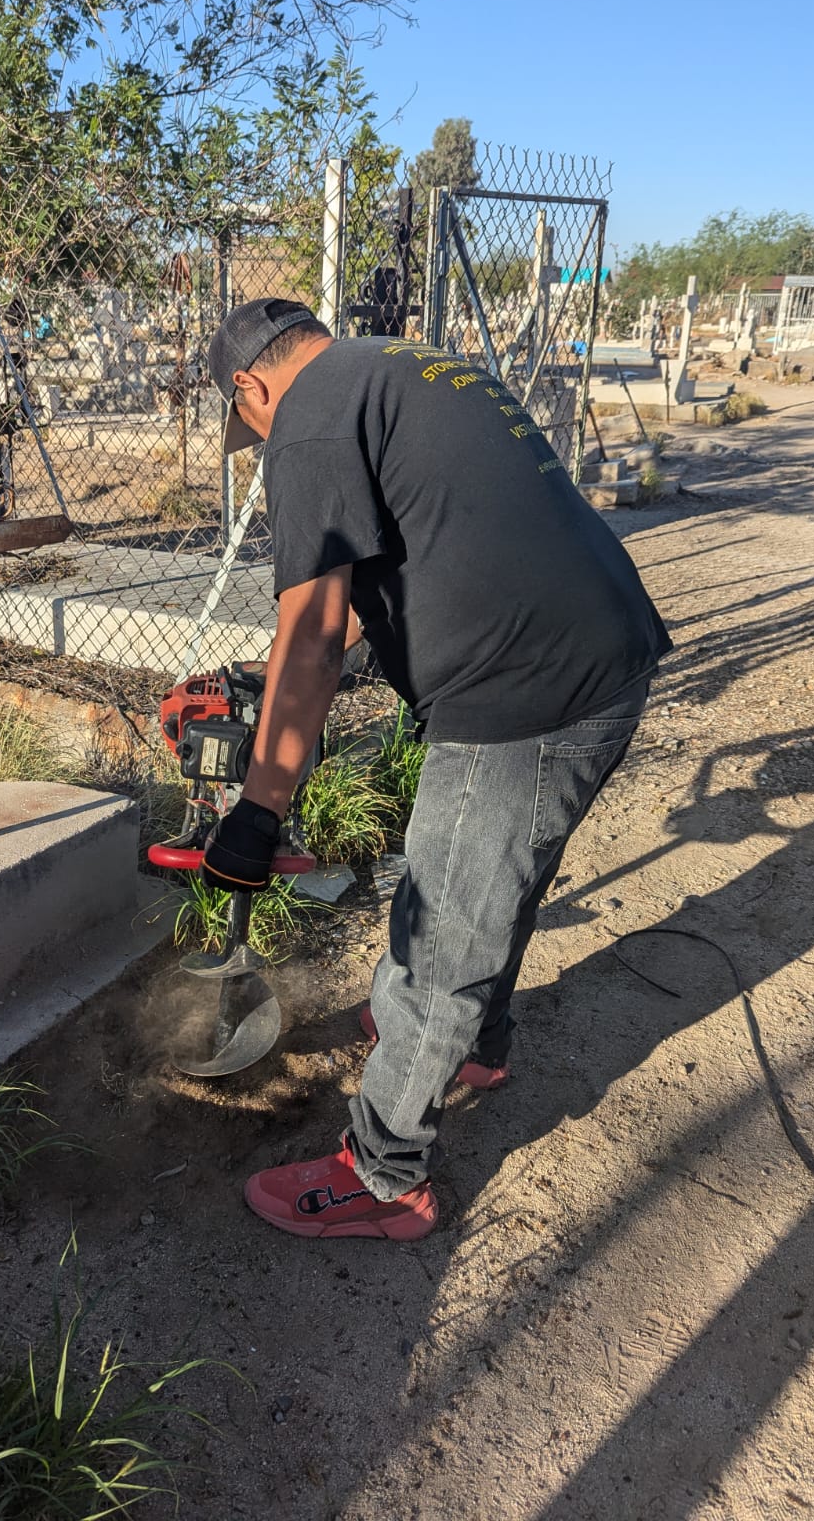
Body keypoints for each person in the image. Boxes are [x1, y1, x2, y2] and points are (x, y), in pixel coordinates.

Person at [202, 297, 672, 1242]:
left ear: (253, 389)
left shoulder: (307, 420)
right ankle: (478, 1050)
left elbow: (316, 633)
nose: (259, 442)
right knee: (501, 885)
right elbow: (447, 560)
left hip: (524, 691)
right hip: (607, 656)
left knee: (439, 933)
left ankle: (385, 1179)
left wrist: (259, 809)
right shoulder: (404, 364)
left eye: (248, 427)